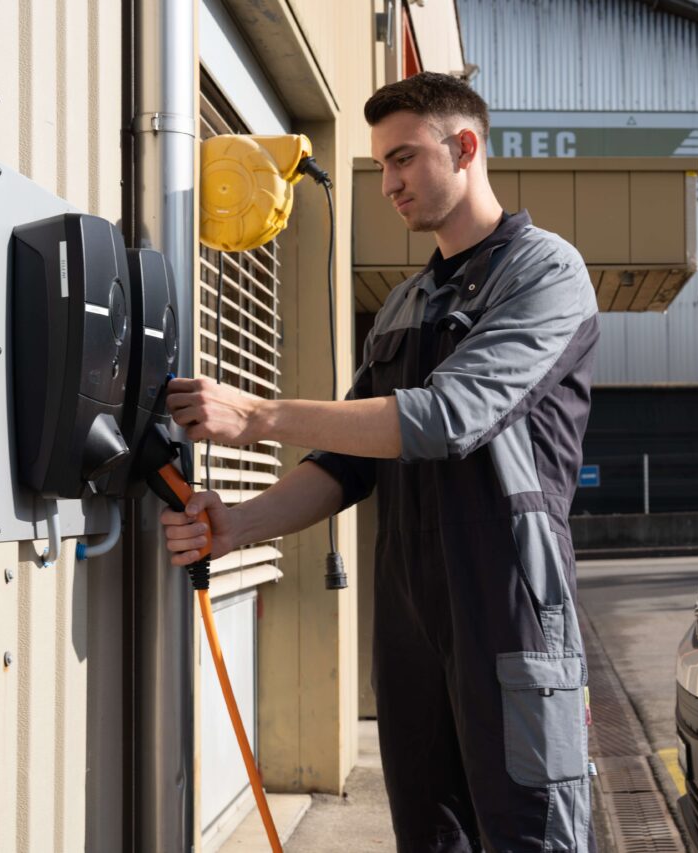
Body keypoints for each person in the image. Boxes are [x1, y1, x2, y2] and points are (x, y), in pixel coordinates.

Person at [161, 72, 600, 852]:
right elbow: (345, 461)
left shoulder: (545, 273)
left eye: (403, 159)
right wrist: (243, 525)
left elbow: (447, 417)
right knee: (430, 835)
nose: (389, 184)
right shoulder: (404, 304)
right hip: (410, 612)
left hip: (510, 605)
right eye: (380, 166)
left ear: (464, 147)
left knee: (530, 834)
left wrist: (259, 415)